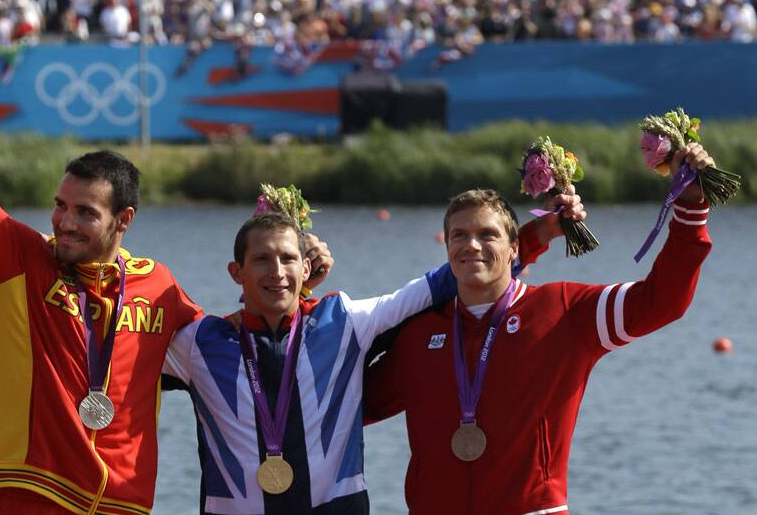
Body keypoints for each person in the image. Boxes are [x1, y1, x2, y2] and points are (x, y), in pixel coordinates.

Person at [0, 0, 327, 515]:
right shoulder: (16, 259)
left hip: (126, 504)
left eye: (86, 212)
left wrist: (294, 289)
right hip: (33, 494)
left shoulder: (157, 286)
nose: (65, 222)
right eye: (61, 206)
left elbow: (236, 352)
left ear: (122, 220)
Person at [161, 186, 586, 514]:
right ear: (236, 272)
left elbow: (441, 283)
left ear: (305, 269)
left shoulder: (344, 321)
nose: (277, 272)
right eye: (262, 261)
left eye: (288, 260)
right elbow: (121, 348)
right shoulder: (200, 343)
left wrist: (537, 233)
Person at [363, 145, 715, 514]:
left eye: (487, 235)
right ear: (447, 246)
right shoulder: (419, 335)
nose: (472, 245)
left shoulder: (561, 312)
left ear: (514, 246)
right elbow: (349, 406)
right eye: (459, 236)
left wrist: (690, 208)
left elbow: (661, 302)